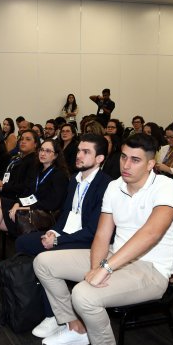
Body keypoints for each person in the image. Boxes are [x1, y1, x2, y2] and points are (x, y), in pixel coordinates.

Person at [34, 133, 173, 345]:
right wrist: (96, 267)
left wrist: (105, 268)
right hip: (115, 256)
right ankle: (75, 327)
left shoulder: (167, 187)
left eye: (135, 160)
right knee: (43, 262)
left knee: (83, 294)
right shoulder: (115, 186)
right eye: (124, 157)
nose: (126, 165)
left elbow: (151, 233)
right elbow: (102, 234)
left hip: (151, 270)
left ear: (150, 164)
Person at [15, 134, 111, 327]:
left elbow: (94, 231)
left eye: (86, 152)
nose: (79, 155)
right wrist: (54, 232)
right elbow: (65, 215)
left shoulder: (106, 185)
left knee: (45, 255)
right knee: (23, 242)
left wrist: (58, 241)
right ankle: (42, 306)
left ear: (99, 158)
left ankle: (54, 317)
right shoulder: (75, 179)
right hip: (66, 234)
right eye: (78, 151)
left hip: (88, 241)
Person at [0, 137, 69, 278]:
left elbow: (53, 203)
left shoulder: (59, 176)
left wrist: (25, 207)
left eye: (48, 151)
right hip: (28, 210)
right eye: (41, 150)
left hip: (42, 216)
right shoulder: (38, 170)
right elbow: (27, 193)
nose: (43, 153)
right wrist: (18, 203)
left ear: (56, 155)